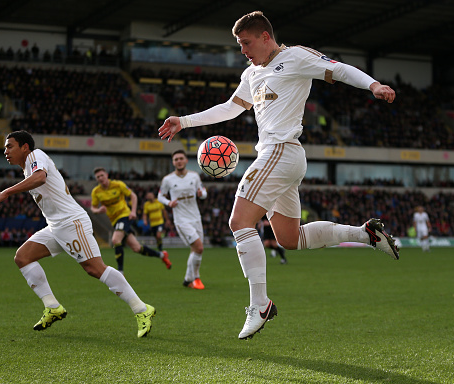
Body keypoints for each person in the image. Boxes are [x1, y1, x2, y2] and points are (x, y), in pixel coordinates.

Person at [158, 11, 399, 340]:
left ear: (264, 36)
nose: (243, 49)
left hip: (281, 150)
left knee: (239, 222)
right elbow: (230, 107)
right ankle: (366, 234)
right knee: (289, 238)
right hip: (279, 157)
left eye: (246, 42)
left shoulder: (295, 56)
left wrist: (372, 85)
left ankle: (260, 305)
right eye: (239, 44)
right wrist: (183, 121)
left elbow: (338, 69)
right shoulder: (251, 73)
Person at [0, 131, 155, 338]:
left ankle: (141, 309)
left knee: (95, 269)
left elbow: (40, 177)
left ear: (24, 147)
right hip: (55, 226)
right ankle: (52, 307)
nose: (5, 151)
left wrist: (6, 192)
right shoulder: (27, 168)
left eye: (9, 146)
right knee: (23, 257)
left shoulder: (35, 156)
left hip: (72, 222)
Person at [91, 168, 172, 273]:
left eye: (102, 175)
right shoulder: (96, 192)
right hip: (114, 220)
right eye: (98, 177)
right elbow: (93, 208)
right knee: (136, 248)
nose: (100, 178)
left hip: (125, 215)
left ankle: (120, 272)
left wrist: (133, 211)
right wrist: (98, 210)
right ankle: (162, 255)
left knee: (115, 240)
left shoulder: (118, 184)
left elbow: (133, 196)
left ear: (106, 175)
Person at [157, 150, 207, 290]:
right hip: (181, 219)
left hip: (196, 217)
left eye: (181, 158)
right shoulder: (167, 180)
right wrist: (168, 203)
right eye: (176, 159)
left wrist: (201, 193)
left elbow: (204, 192)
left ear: (186, 160)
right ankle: (196, 278)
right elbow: (160, 196)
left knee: (194, 249)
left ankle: (187, 279)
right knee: (199, 247)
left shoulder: (194, 176)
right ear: (173, 162)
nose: (178, 161)